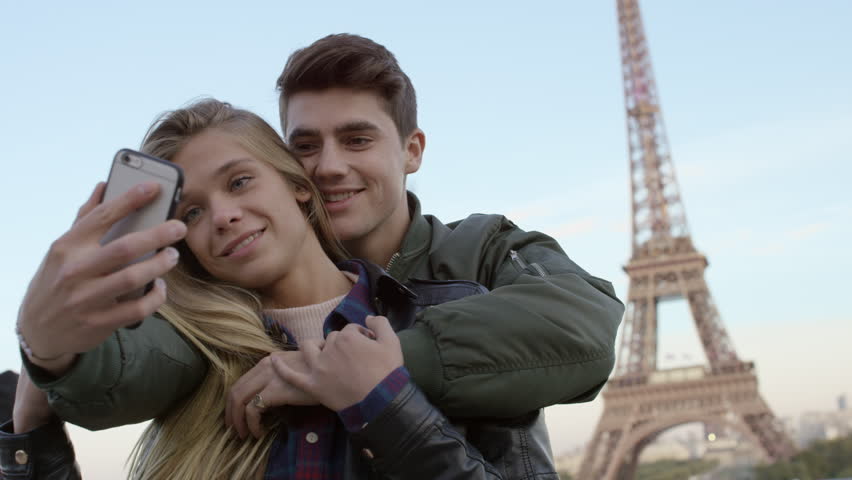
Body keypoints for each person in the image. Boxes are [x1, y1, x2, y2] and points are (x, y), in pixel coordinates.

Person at [14, 34, 623, 477]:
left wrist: (366, 375)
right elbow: (126, 370)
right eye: (306, 145)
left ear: (412, 151)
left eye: (357, 139)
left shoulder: (478, 271)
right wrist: (52, 355)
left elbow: (583, 329)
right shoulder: (211, 340)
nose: (330, 166)